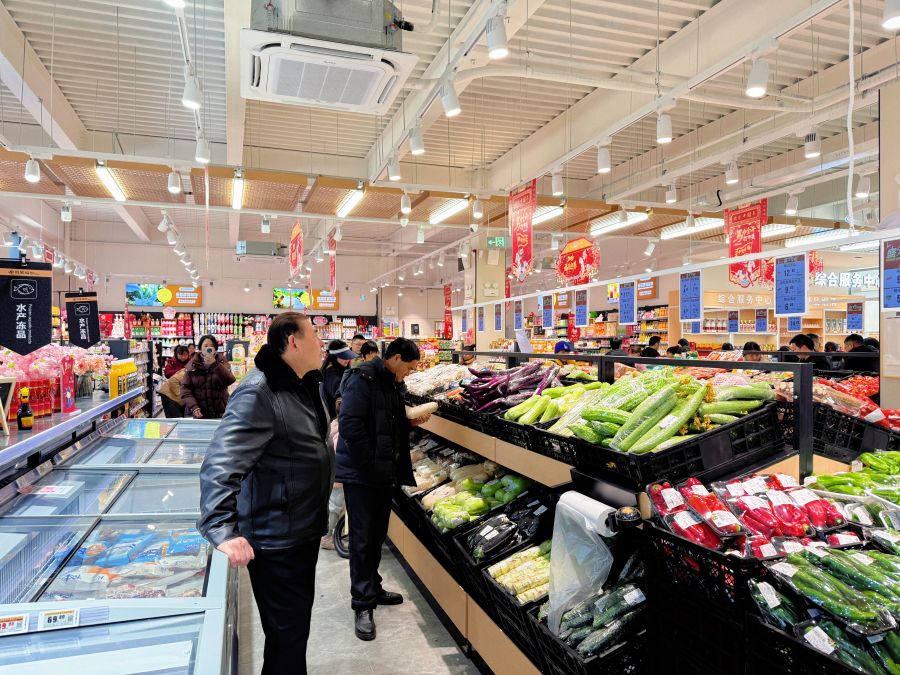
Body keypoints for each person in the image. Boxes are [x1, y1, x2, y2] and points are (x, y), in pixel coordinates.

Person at [197, 312, 333, 674]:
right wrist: (222, 528)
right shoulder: (259, 391)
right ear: (293, 341)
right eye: (315, 335)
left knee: (292, 631)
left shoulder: (304, 383)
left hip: (300, 528)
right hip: (277, 537)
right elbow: (220, 462)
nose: (321, 342)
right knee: (287, 636)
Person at [336, 338, 432, 641]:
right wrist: (371, 463)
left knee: (376, 535)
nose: (409, 373)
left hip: (381, 474)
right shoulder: (362, 378)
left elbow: (388, 424)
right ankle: (362, 605)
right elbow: (350, 425)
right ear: (396, 358)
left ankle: (373, 588)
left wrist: (411, 424)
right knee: (362, 540)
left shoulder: (392, 383)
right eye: (409, 367)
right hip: (362, 474)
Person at [181, 335, 236, 419]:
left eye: (211, 346)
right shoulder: (193, 364)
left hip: (219, 412)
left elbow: (230, 380)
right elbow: (185, 389)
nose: (208, 348)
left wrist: (215, 365)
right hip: (198, 413)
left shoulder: (222, 361)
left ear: (215, 349)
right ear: (200, 348)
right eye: (205, 346)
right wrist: (193, 406)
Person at [321, 340, 356, 419]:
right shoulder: (331, 373)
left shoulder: (340, 369)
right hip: (334, 418)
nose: (347, 359)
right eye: (343, 357)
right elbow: (339, 391)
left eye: (348, 356)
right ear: (334, 356)